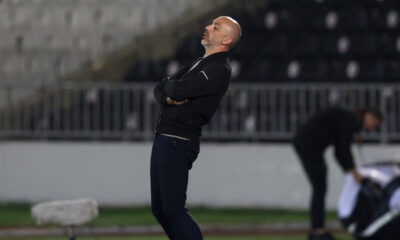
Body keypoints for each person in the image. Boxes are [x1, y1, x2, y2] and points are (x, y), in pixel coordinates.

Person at [151, 16, 241, 240]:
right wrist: (169, 93)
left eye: (215, 27)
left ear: (227, 39)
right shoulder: (198, 63)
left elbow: (176, 89)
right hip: (166, 138)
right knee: (161, 210)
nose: (208, 27)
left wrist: (170, 92)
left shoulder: (219, 68)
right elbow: (161, 88)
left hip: (178, 141)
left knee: (173, 210)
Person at [293, 107, 382, 240]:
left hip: (307, 143)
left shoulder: (348, 119)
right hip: (308, 144)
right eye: (374, 125)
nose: (372, 129)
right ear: (369, 116)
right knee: (319, 186)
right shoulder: (351, 121)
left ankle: (318, 229)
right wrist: (353, 172)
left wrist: (350, 171)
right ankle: (317, 231)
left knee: (320, 186)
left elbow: (340, 152)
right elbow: (342, 150)